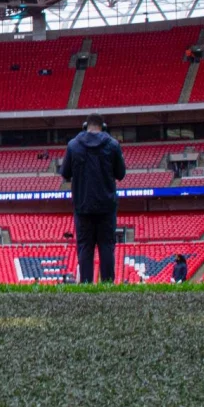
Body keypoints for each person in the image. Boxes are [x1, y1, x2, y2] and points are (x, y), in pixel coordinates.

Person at [58, 113, 126, 284]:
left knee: (85, 248)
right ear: (103, 127)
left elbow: (65, 173)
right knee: (106, 247)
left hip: (83, 206)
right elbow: (121, 174)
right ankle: (108, 285)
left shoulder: (73, 145)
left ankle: (86, 285)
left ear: (85, 126)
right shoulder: (113, 145)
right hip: (106, 206)